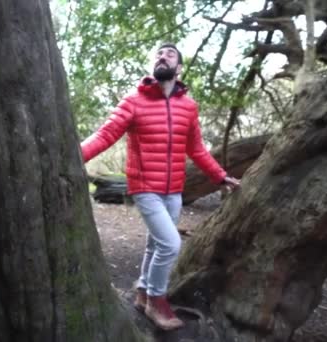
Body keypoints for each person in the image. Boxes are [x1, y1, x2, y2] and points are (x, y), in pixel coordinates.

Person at [80, 43, 240, 330]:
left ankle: (142, 292)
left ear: (178, 69)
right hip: (145, 187)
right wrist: (75, 154)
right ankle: (156, 299)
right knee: (170, 243)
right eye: (158, 54)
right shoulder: (133, 101)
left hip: (174, 189)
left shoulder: (188, 107)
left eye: (169, 54)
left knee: (156, 244)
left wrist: (220, 176)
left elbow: (197, 149)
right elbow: (106, 135)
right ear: (153, 66)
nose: (162, 57)